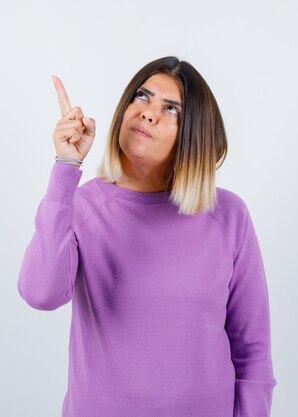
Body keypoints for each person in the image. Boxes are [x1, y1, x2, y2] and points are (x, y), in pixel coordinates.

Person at [17, 56, 277, 417]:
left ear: (195, 134)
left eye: (171, 109)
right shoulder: (81, 206)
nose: (149, 113)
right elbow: (40, 294)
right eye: (142, 96)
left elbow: (252, 350)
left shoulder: (228, 215)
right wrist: (65, 169)